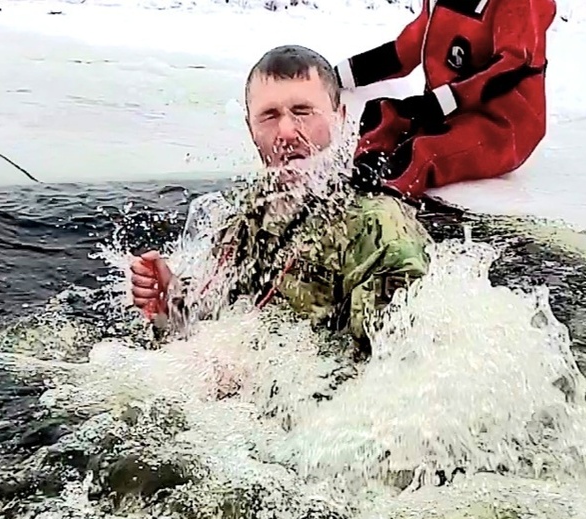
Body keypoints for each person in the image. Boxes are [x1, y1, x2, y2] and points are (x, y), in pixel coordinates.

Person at [129, 45, 433, 351]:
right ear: (251, 129)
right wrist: (172, 305)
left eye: (303, 111)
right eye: (269, 116)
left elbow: (389, 370)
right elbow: (216, 322)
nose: (286, 131)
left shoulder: (377, 229)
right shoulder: (246, 215)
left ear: (340, 119)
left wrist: (254, 372)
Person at [334, 0, 556, 200]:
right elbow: (405, 50)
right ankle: (362, 180)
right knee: (380, 114)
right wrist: (332, 77)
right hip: (449, 110)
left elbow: (512, 65)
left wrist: (443, 101)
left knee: (419, 152)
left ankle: (385, 204)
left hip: (502, 126)